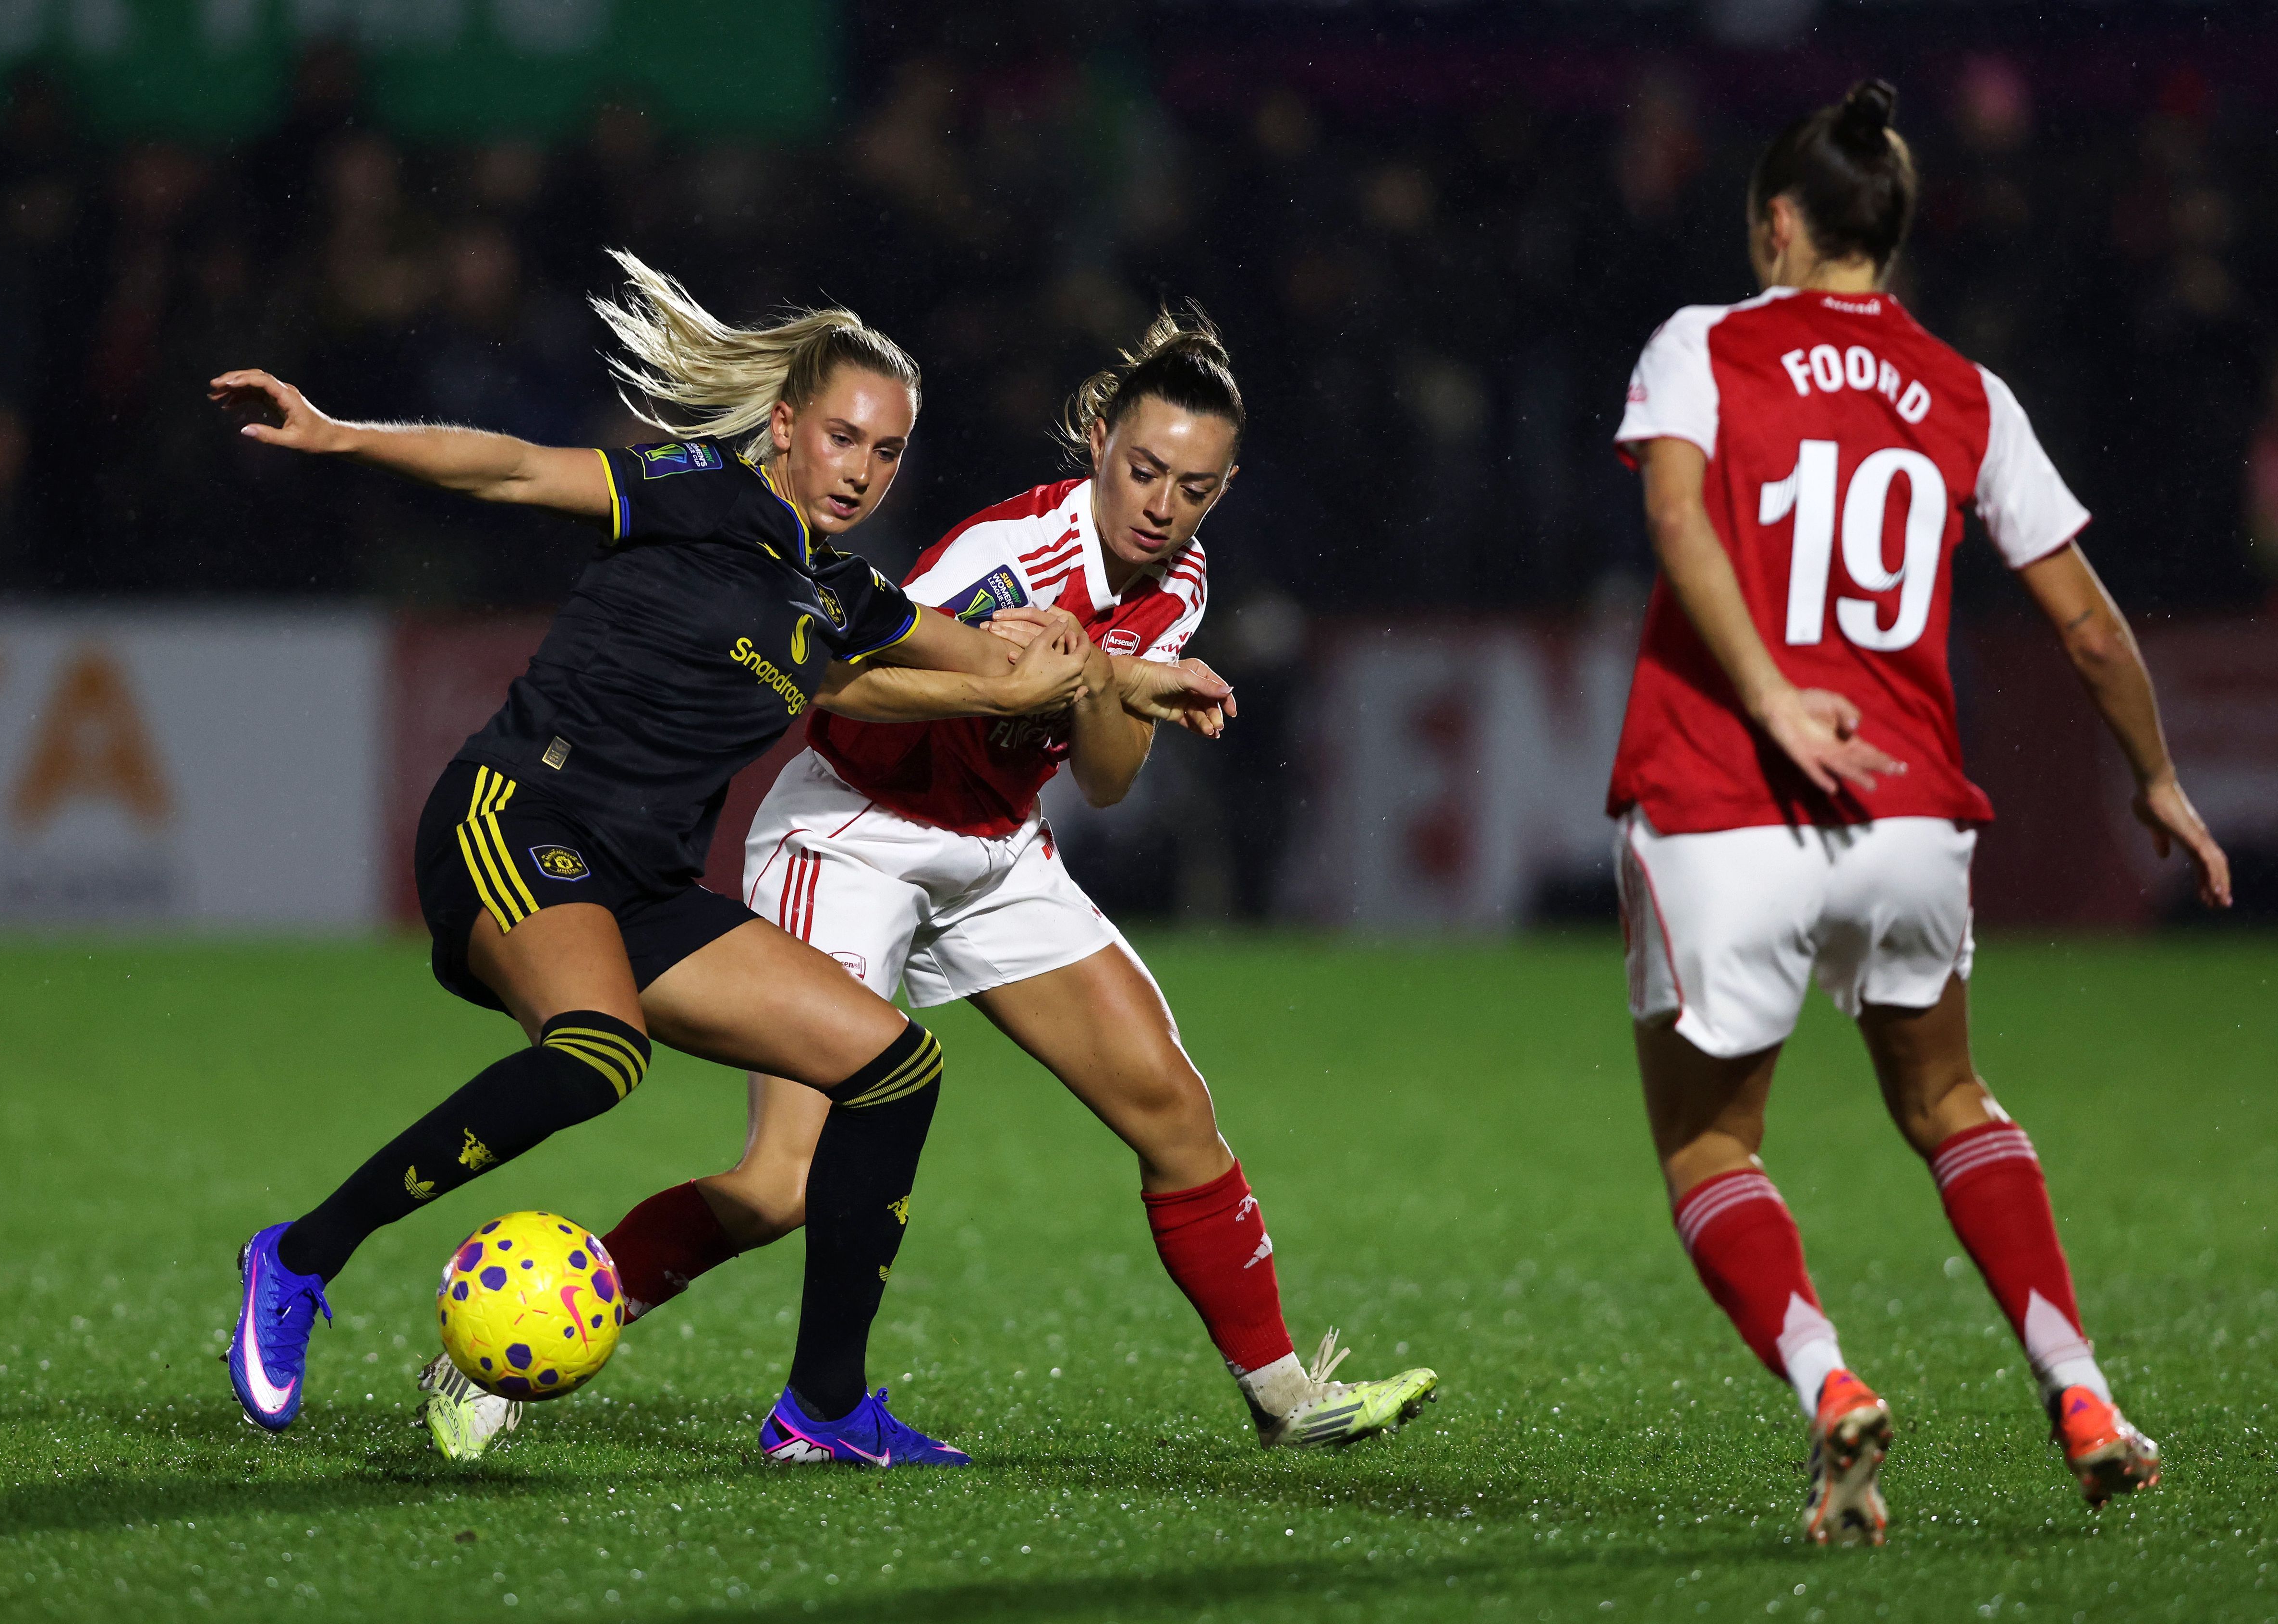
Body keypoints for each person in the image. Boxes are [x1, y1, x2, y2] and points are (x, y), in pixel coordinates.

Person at [211, 251, 1221, 1465]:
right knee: (599, 1054)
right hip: (520, 817)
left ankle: (825, 1408)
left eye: (889, 452)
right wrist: (341, 438)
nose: (862, 469)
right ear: (786, 428)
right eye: (844, 437)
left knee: (893, 1066)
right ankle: (302, 1257)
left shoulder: (843, 598)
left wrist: (1136, 676)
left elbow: (995, 672)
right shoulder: (700, 492)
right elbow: (518, 469)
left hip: (640, 882)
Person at [414, 309, 1438, 1466]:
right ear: (1098, 440)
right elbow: (836, 686)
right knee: (780, 1184)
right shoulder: (1010, 556)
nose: (1161, 503)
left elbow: (1102, 784)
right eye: (1143, 469)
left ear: (1224, 487)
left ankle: (1285, 1397)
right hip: (856, 832)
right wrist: (1029, 684)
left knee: (1172, 1107)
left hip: (995, 849)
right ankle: (488, 1363)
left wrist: (1108, 685)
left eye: (1192, 487)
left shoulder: (1182, 581)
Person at [1609, 81, 2230, 1545]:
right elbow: (2083, 624)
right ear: (1888, 234)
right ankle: (2080, 1388)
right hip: (1907, 813)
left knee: (1714, 1147)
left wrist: (1764, 694)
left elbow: (1679, 517)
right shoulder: (1967, 391)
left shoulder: (1703, 343)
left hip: (1725, 802)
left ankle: (1831, 1388)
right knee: (1950, 1100)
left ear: (1779, 225)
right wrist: (2153, 775)